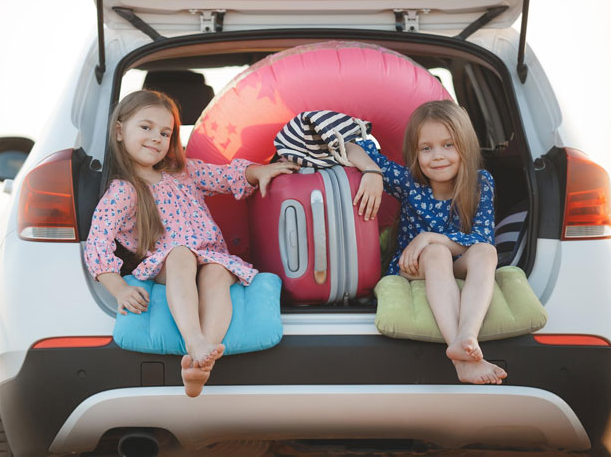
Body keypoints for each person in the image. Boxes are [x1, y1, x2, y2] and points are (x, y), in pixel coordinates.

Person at [84, 89, 299, 397]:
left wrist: (260, 170)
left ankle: (201, 364)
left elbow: (227, 176)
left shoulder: (184, 172)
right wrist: (118, 288)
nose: (156, 138)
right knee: (181, 254)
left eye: (165, 132)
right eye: (146, 127)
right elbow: (98, 243)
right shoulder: (124, 191)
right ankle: (194, 339)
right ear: (119, 130)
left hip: (211, 255)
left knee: (215, 273)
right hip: (167, 262)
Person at [348, 100, 508, 385]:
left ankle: (466, 337)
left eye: (449, 145)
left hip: (458, 258)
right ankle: (461, 358)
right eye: (426, 148)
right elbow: (350, 147)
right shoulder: (408, 182)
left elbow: (481, 238)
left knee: (485, 251)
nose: (437, 156)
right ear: (415, 152)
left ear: (466, 147)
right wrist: (372, 171)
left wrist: (431, 237)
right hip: (412, 267)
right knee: (436, 254)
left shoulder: (481, 182)